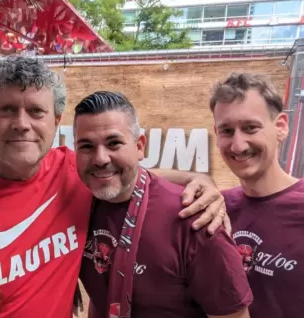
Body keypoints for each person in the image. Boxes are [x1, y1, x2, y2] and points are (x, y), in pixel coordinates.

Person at [0, 56, 229, 317]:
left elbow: (125, 173)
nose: (22, 123)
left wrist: (197, 181)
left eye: (36, 111)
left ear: (55, 121)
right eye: (6, 109)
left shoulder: (73, 170)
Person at [74, 91, 253, 318]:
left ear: (140, 146)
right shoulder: (76, 200)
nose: (100, 158)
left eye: (114, 143)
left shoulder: (195, 220)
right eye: (87, 146)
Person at [156, 72, 304, 318]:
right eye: (227, 131)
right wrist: (195, 178)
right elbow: (132, 177)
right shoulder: (216, 207)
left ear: (280, 127)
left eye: (250, 128)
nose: (238, 145)